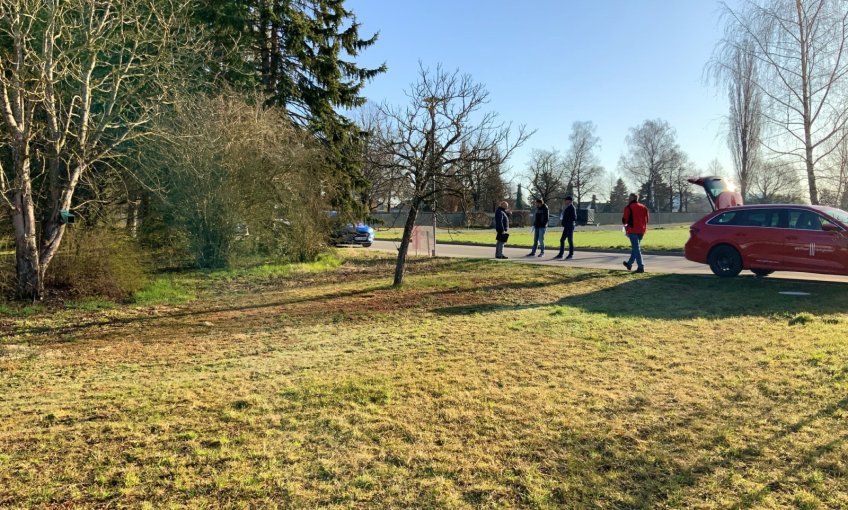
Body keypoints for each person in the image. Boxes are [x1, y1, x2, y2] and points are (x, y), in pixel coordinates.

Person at [622, 193, 649, 273]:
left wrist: (626, 229)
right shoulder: (644, 207)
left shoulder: (628, 207)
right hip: (642, 230)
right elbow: (647, 220)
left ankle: (641, 266)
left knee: (636, 248)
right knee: (635, 248)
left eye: (629, 197)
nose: (628, 199)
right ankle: (629, 264)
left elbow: (625, 220)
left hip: (632, 230)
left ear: (633, 198)